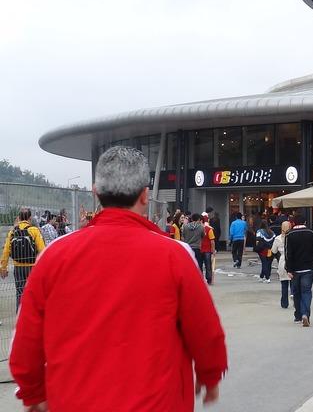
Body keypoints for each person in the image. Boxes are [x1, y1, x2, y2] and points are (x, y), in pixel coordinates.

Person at [9, 146, 227, 411]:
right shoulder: (175, 256)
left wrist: (33, 393)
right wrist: (209, 374)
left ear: (95, 192)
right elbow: (205, 329)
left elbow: (25, 339)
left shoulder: (54, 256)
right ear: (145, 196)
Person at [1, 208, 46, 309]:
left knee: (20, 294)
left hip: (18, 268)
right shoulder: (34, 230)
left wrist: (3, 268)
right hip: (32, 267)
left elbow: (6, 252)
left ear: (19, 218)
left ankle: (19, 318)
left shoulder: (13, 232)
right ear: (30, 218)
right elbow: (42, 250)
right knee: (33, 293)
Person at [285, 213, 313, 327]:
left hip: (295, 269)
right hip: (308, 268)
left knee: (296, 293)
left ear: (293, 222)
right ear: (305, 222)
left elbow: (287, 254)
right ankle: (306, 314)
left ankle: (298, 315)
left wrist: (288, 269)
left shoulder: (289, 235)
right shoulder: (310, 233)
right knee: (306, 292)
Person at [274, 221, 292, 309]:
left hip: (282, 260)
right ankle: (295, 300)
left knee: (284, 284)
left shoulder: (278, 239)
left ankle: (284, 303)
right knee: (293, 283)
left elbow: (273, 251)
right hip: (292, 260)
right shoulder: (293, 237)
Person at [199, 214, 216, 285]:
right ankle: (209, 279)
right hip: (208, 251)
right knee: (208, 265)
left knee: (199, 265)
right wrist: (213, 250)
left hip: (199, 250)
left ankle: (200, 279)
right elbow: (212, 241)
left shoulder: (197, 229)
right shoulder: (209, 229)